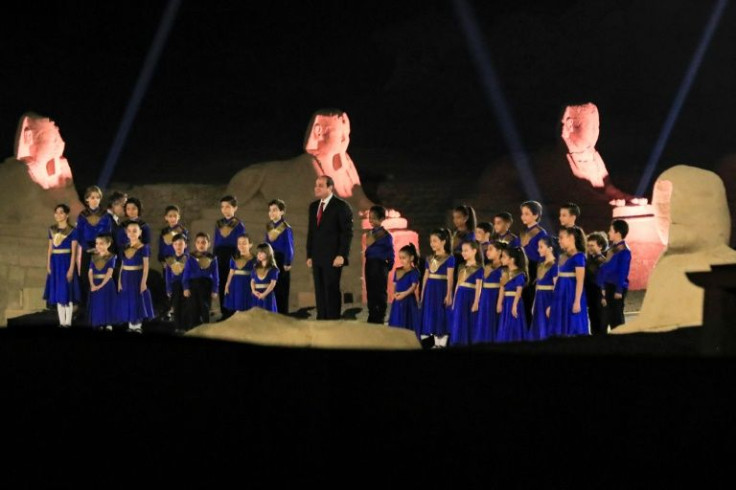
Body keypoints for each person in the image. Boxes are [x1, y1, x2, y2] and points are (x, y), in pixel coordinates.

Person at [306, 176, 354, 320]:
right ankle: (322, 318)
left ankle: (333, 319)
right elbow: (312, 232)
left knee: (331, 288)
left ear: (330, 188)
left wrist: (342, 255)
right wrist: (309, 255)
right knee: (319, 289)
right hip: (317, 256)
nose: (317, 188)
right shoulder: (314, 206)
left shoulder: (341, 206)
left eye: (320, 185)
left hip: (333, 257)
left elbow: (347, 233)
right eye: (316, 185)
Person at [43, 203, 81, 327]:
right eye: (56, 212)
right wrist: (48, 265)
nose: (58, 215)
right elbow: (50, 249)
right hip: (55, 263)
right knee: (59, 293)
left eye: (61, 212)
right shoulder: (51, 229)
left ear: (66, 214)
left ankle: (68, 322)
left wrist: (71, 269)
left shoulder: (73, 231)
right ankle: (62, 322)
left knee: (67, 293)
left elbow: (74, 252)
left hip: (66, 262)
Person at [76, 185, 113, 311]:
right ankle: (87, 307)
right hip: (87, 249)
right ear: (87, 199)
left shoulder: (105, 215)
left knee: (101, 275)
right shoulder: (82, 215)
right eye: (92, 197)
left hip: (101, 249)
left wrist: (101, 247)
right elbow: (79, 234)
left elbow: (108, 233)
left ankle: (101, 306)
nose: (95, 200)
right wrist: (87, 248)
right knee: (87, 277)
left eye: (97, 197)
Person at [548, 226, 589, 337]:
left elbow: (580, 281)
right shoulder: (562, 256)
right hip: (560, 294)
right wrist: (552, 304)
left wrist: (577, 301)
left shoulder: (579, 257)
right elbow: (557, 281)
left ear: (571, 238)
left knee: (572, 327)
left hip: (570, 295)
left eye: (561, 238)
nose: (559, 240)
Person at [418, 228, 455, 348]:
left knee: (441, 315)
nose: (432, 244)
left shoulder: (450, 258)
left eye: (435, 241)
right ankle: (433, 343)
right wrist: (423, 293)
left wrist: (448, 294)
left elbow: (450, 278)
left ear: (443, 242)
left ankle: (442, 344)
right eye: (431, 241)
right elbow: (425, 277)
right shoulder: (429, 258)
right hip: (430, 289)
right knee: (431, 314)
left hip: (441, 289)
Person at [116, 221, 154, 333]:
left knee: (137, 300)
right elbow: (122, 265)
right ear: (126, 233)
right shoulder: (125, 247)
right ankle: (130, 325)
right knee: (127, 299)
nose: (132, 233)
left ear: (140, 232)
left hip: (137, 276)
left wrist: (143, 282)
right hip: (125, 276)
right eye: (129, 231)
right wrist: (119, 281)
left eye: (135, 231)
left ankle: (137, 326)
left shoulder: (144, 247)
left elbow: (146, 266)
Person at [214, 195, 247, 318]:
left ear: (235, 208)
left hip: (233, 255)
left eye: (228, 207)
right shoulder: (219, 224)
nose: (225, 209)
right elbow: (216, 242)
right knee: (222, 283)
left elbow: (242, 243)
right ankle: (224, 311)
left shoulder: (239, 224)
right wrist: (214, 257)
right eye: (222, 207)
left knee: (232, 283)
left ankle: (233, 312)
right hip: (220, 255)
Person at [598, 219, 631, 331]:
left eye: (611, 230)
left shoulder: (624, 251)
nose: (609, 233)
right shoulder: (612, 248)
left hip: (615, 288)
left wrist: (619, 290)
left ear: (618, 233)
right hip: (608, 286)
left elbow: (623, 272)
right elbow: (605, 268)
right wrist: (602, 286)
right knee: (606, 319)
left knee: (616, 320)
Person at [448, 241, 484, 346]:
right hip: (460, 296)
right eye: (462, 251)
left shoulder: (479, 268)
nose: (463, 253)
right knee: (458, 319)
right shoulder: (461, 266)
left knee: (468, 321)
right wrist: (454, 300)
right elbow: (458, 284)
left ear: (474, 251)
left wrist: (476, 302)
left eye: (466, 251)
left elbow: (479, 286)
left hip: (470, 296)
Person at [364, 205, 395, 324]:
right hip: (370, 264)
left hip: (380, 265)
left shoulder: (385, 235)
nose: (371, 221)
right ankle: (372, 313)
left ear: (382, 219)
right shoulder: (369, 234)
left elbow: (390, 251)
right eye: (369, 218)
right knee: (370, 289)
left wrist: (390, 263)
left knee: (380, 290)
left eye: (374, 218)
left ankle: (380, 313)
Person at [183, 232, 220, 329]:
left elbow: (216, 275)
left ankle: (205, 328)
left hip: (206, 285)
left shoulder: (213, 258)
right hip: (193, 285)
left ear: (208, 244)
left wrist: (215, 290)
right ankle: (193, 328)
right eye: (198, 242)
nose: (201, 245)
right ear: (195, 244)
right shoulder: (190, 257)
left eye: (203, 242)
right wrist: (186, 287)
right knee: (193, 308)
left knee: (205, 307)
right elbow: (186, 272)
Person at [519, 201, 548, 322]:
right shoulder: (522, 233)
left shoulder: (541, 232)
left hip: (533, 269)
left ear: (536, 215)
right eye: (522, 214)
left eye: (527, 214)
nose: (523, 217)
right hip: (522, 268)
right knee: (522, 301)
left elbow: (543, 255)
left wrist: (539, 274)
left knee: (531, 301)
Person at [264, 199, 294, 314]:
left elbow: (289, 246)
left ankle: (282, 313)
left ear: (282, 212)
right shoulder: (269, 227)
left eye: (275, 210)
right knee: (271, 287)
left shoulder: (285, 228)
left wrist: (287, 262)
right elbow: (266, 244)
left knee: (282, 288)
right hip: (271, 260)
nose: (272, 213)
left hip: (281, 260)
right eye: (270, 210)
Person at [474, 240, 505, 344]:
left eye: (491, 249)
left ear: (499, 251)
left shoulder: (504, 269)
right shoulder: (486, 267)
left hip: (495, 297)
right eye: (487, 249)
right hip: (485, 298)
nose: (487, 252)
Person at [495, 246, 528, 343]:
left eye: (504, 257)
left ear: (512, 259)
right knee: (504, 323)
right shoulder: (504, 272)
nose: (501, 259)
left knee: (514, 323)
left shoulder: (519, 273)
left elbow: (519, 291)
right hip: (506, 301)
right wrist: (499, 303)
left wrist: (514, 305)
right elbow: (502, 288)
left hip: (514, 301)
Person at [528, 236, 557, 341]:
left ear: (550, 248)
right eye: (538, 247)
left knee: (546, 325)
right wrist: (534, 303)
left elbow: (556, 287)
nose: (538, 249)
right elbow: (537, 286)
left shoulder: (554, 265)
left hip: (548, 298)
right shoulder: (540, 264)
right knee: (538, 324)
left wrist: (553, 305)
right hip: (539, 298)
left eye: (541, 247)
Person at [387, 244, 420, 332]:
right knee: (397, 320)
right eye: (400, 258)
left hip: (408, 300)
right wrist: (395, 294)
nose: (401, 260)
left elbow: (413, 287)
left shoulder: (414, 271)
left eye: (404, 258)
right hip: (398, 300)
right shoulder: (398, 270)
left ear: (411, 258)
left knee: (408, 321)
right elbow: (394, 284)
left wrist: (404, 294)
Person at [87, 233, 117, 330]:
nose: (98, 246)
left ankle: (108, 323)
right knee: (98, 304)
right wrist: (92, 284)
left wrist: (100, 285)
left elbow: (109, 272)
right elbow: (90, 271)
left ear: (108, 244)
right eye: (97, 243)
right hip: (95, 283)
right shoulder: (94, 257)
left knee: (107, 303)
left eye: (101, 243)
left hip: (106, 283)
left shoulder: (111, 257)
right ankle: (98, 322)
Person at [224, 235, 256, 313]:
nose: (241, 246)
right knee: (237, 305)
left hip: (248, 283)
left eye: (244, 243)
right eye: (239, 243)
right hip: (236, 284)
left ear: (250, 245)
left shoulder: (254, 259)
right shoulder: (234, 258)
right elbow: (231, 272)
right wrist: (227, 285)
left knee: (248, 306)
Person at [164, 234, 189, 331]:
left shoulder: (188, 259)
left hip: (186, 286)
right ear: (173, 246)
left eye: (181, 244)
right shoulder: (170, 260)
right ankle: (178, 327)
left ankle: (185, 327)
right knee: (176, 306)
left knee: (186, 307)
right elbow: (168, 276)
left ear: (185, 245)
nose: (178, 246)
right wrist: (168, 289)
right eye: (176, 244)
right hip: (175, 286)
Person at [585, 231, 608, 335]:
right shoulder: (589, 260)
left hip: (599, 297)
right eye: (588, 245)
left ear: (600, 246)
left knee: (600, 324)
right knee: (594, 322)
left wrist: (604, 297)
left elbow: (606, 281)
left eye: (592, 245)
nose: (589, 248)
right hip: (592, 297)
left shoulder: (602, 261)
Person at [251, 243, 279, 312]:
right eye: (258, 253)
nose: (259, 255)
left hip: (267, 295)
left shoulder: (273, 269)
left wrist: (264, 294)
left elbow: (272, 284)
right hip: (256, 295)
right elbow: (252, 281)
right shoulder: (255, 268)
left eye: (262, 253)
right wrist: (253, 291)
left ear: (268, 253)